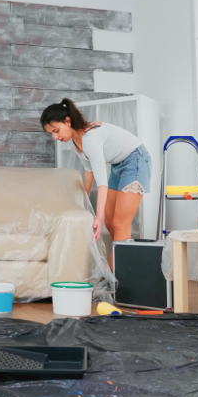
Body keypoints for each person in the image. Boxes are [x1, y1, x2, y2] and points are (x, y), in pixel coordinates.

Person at [41, 98, 151, 270]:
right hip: (118, 165)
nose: (55, 137)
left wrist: (97, 216)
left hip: (135, 160)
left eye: (56, 130)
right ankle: (122, 271)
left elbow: (101, 181)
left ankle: (116, 281)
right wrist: (82, 202)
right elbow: (88, 172)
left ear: (68, 121)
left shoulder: (90, 138)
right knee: (110, 224)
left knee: (120, 223)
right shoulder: (74, 142)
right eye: (51, 134)